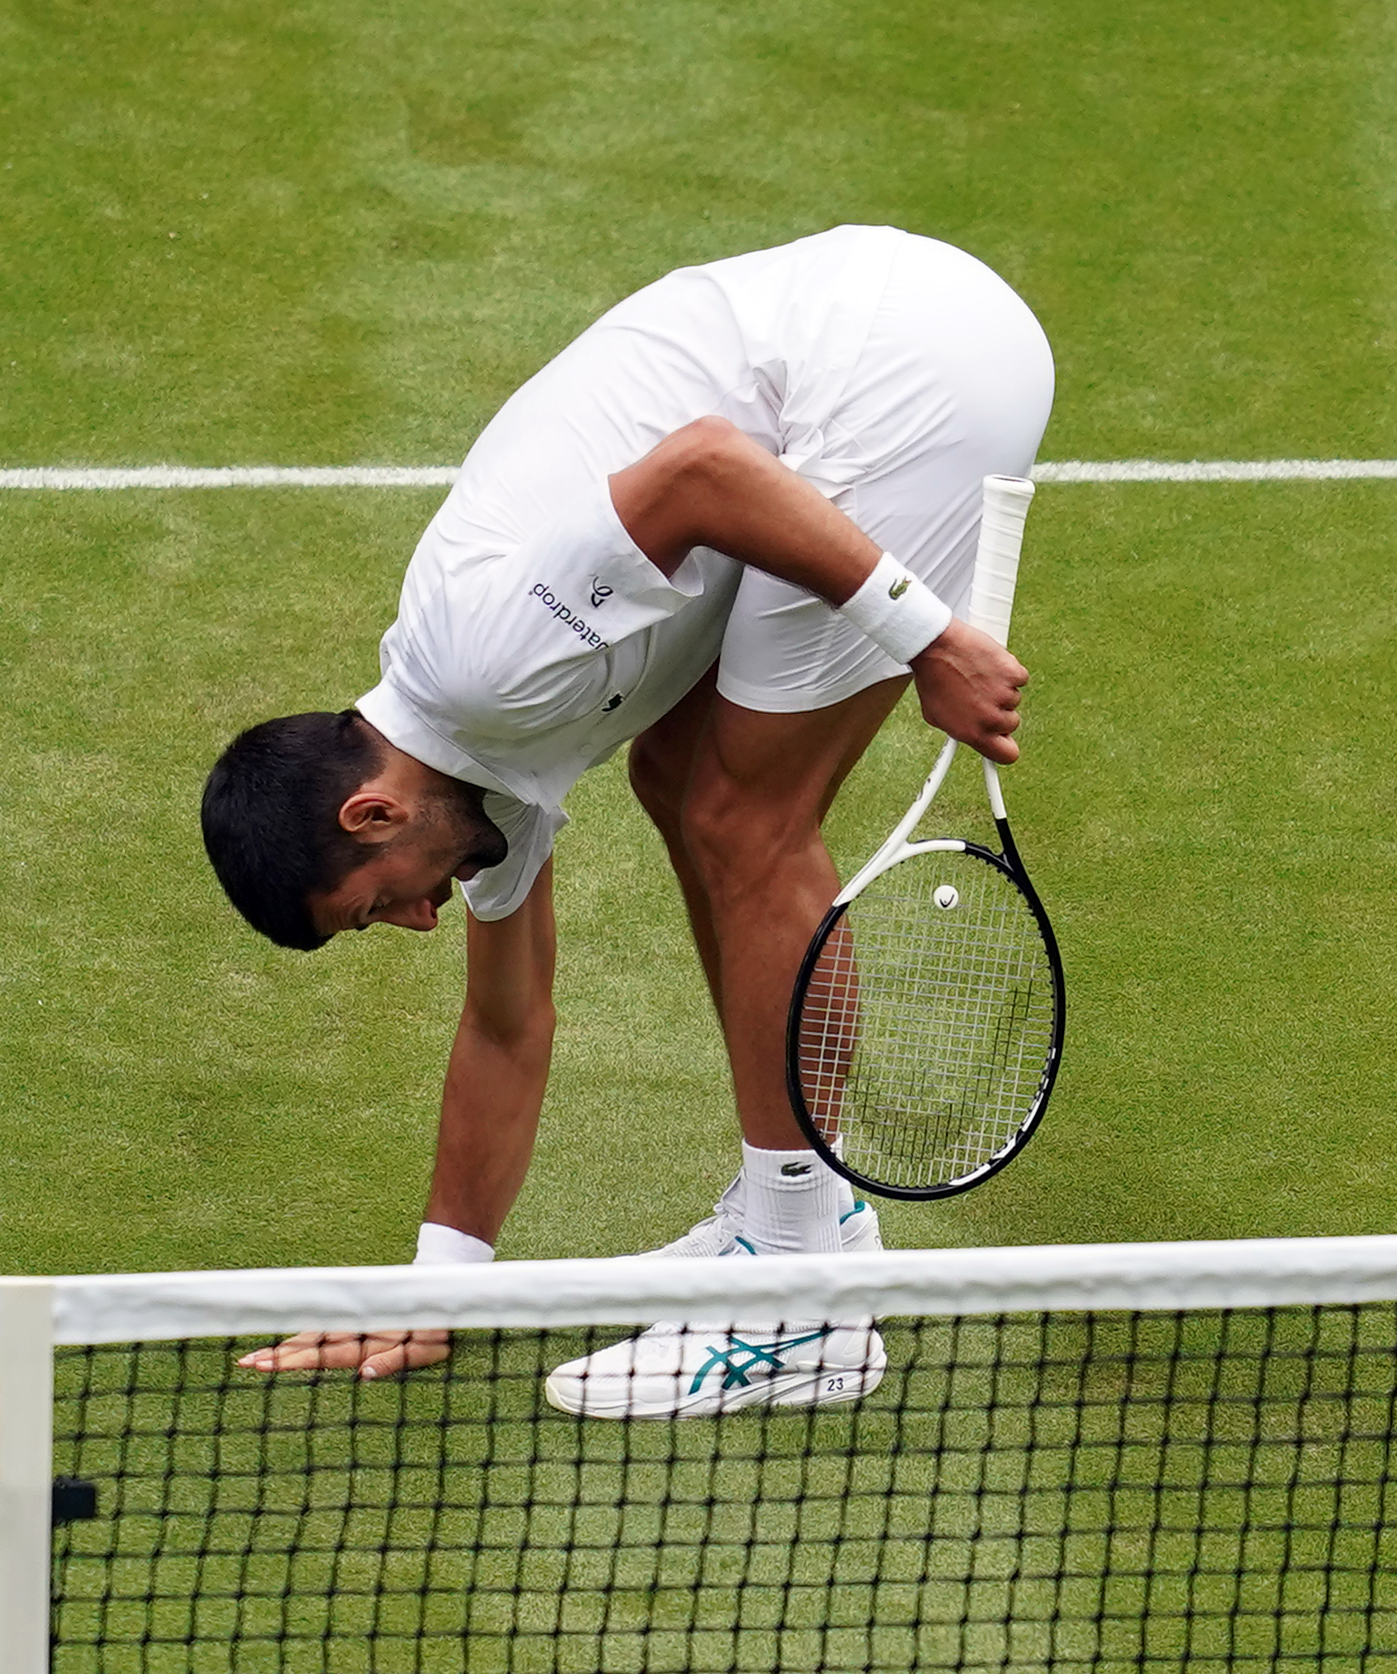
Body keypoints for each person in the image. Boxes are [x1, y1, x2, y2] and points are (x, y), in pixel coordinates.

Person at [200, 225, 1054, 1417]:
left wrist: (931, 640)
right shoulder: (474, 790)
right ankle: (791, 1216)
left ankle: (801, 1293)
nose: (416, 920)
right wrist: (441, 1288)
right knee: (679, 774)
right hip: (887, 335)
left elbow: (705, 469)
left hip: (899, 364)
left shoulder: (487, 668)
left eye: (377, 901)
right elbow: (506, 1029)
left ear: (374, 808)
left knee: (746, 817)